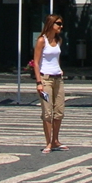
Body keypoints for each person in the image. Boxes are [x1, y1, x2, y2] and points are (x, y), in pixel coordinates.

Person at [33, 14, 66, 153]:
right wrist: (39, 82)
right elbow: (35, 62)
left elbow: (55, 58)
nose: (61, 26)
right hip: (45, 79)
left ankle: (55, 141)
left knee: (59, 111)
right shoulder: (42, 40)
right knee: (47, 112)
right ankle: (48, 142)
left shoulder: (59, 40)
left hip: (58, 78)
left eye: (61, 24)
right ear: (51, 24)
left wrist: (60, 69)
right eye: (58, 23)